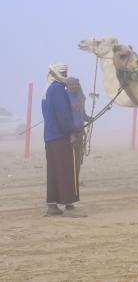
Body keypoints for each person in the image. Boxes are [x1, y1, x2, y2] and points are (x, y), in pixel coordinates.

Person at [41, 64, 86, 218]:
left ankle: (52, 206)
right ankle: (69, 207)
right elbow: (63, 115)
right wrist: (71, 132)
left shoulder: (47, 90)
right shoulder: (59, 90)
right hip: (61, 137)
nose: (66, 74)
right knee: (68, 170)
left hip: (50, 137)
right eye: (63, 73)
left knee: (54, 171)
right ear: (57, 74)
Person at [65, 77, 90, 185]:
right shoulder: (63, 97)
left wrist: (89, 118)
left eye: (75, 84)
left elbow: (82, 114)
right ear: (67, 85)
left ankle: (75, 180)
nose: (73, 86)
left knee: (78, 158)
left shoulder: (80, 97)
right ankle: (69, 180)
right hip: (69, 132)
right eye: (71, 84)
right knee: (69, 159)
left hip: (80, 131)